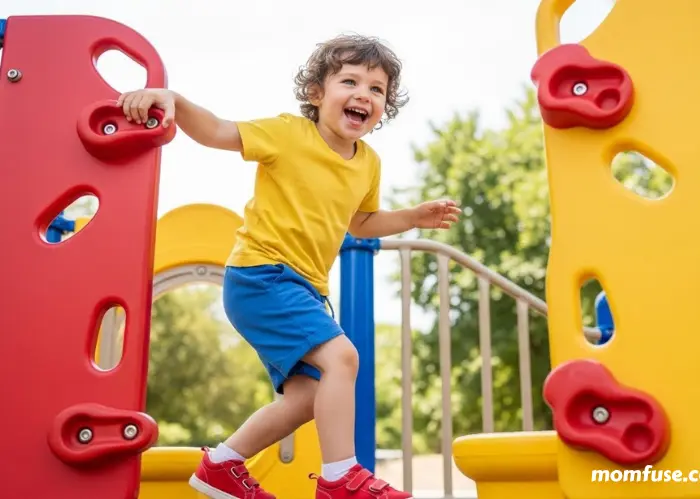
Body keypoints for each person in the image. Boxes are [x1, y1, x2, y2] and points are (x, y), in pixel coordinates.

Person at [117, 33, 461, 499]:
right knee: (344, 357)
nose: (364, 94)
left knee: (306, 397)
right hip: (261, 277)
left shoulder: (368, 163)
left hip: (303, 289)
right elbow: (220, 131)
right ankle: (342, 478)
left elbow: (361, 222)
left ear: (384, 107)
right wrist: (173, 99)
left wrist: (412, 217)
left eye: (376, 89)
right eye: (350, 81)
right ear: (317, 94)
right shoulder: (288, 134)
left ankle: (221, 465)